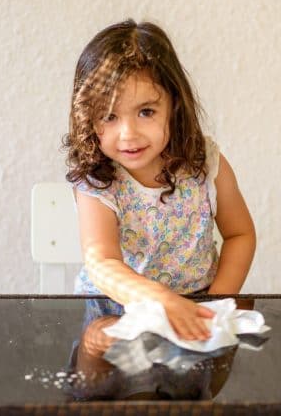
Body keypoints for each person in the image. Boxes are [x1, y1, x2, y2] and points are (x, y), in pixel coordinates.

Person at [62, 19, 256, 342]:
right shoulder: (98, 181)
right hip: (113, 311)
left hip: (195, 301)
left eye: (146, 112)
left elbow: (240, 234)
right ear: (88, 119)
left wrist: (213, 304)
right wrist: (160, 301)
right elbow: (102, 261)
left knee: (205, 381)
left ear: (174, 105)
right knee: (97, 360)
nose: (129, 134)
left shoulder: (205, 163)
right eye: (109, 116)